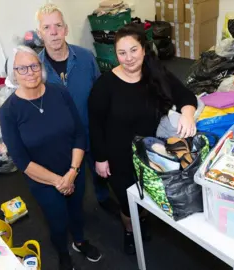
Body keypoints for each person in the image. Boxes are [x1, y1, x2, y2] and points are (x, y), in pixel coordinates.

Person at [88, 24, 198, 255]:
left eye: (133, 50)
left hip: (150, 152)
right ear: (115, 54)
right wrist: (100, 158)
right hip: (118, 156)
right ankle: (130, 230)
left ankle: (143, 220)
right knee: (128, 204)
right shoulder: (104, 85)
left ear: (144, 49)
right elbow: (95, 124)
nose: (128, 58)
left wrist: (188, 113)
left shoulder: (155, 74)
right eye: (122, 53)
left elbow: (185, 95)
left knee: (147, 192)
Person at [0, 46, 102, 270]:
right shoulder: (9, 111)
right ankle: (63, 253)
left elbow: (78, 133)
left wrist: (73, 172)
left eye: (34, 66)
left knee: (76, 210)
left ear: (41, 67)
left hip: (73, 169)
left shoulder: (59, 93)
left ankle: (80, 241)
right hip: (43, 180)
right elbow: (21, 160)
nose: (30, 72)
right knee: (57, 220)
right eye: (22, 68)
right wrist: (58, 181)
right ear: (13, 73)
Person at [35, 4, 119, 215]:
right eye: (47, 27)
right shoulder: (35, 68)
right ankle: (75, 211)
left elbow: (100, 92)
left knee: (100, 171)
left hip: (91, 129)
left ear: (66, 29)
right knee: (70, 180)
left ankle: (102, 196)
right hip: (62, 140)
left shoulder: (85, 57)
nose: (53, 32)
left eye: (58, 25)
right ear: (40, 33)